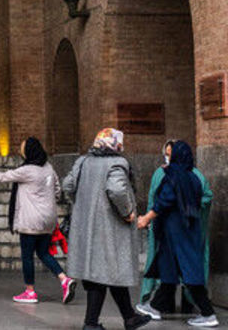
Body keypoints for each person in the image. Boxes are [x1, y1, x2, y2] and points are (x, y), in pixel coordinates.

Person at [62, 128, 151, 330]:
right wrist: (128, 211)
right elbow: (117, 189)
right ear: (115, 144)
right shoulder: (117, 163)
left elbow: (67, 184)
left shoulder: (82, 162)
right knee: (105, 271)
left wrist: (82, 204)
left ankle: (129, 318)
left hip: (88, 227)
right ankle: (91, 324)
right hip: (110, 228)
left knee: (108, 271)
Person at [0, 138, 76, 304]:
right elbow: (57, 190)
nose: (21, 150)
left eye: (23, 147)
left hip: (31, 221)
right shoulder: (48, 168)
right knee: (43, 252)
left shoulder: (26, 170)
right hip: (48, 220)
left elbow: (1, 177)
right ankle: (64, 279)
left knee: (27, 256)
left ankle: (30, 292)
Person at [135, 141, 219, 328]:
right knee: (169, 270)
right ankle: (155, 306)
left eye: (171, 154)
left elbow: (165, 200)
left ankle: (208, 313)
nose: (168, 157)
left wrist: (147, 218)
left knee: (188, 272)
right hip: (187, 230)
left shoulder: (173, 176)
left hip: (175, 231)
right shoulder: (194, 177)